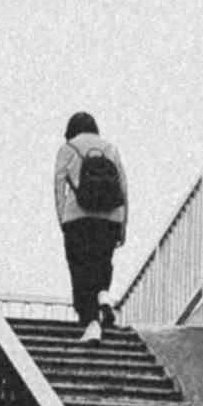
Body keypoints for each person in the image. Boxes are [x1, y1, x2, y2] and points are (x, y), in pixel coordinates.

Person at [53, 110, 129, 333]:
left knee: (80, 267)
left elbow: (58, 187)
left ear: (71, 131)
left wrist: (63, 219)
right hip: (110, 218)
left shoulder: (67, 149)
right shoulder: (111, 148)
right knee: (102, 262)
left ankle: (91, 321)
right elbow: (124, 189)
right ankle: (103, 295)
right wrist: (123, 225)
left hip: (77, 218)